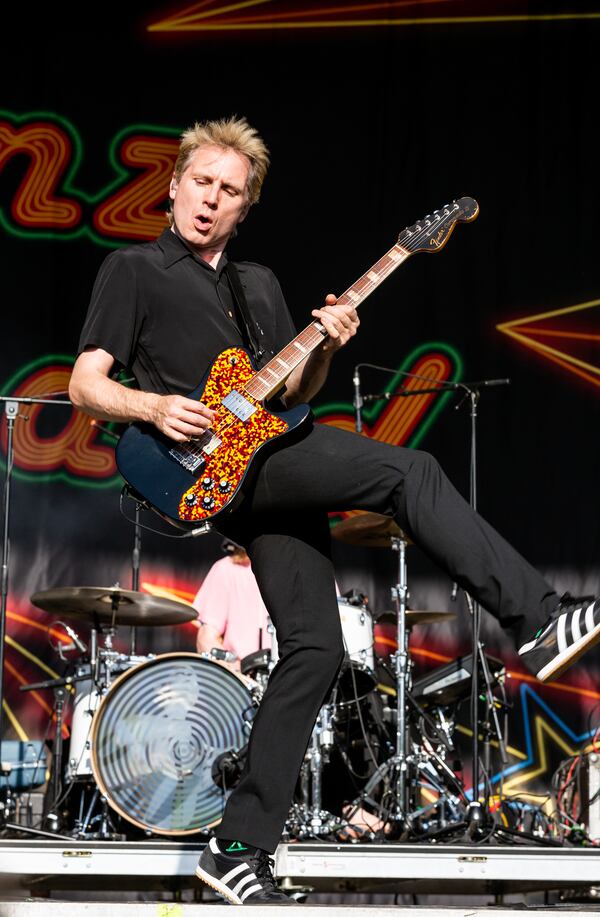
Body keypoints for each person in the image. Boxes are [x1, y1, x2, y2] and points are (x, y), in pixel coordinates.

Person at [68, 115, 599, 905]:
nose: (211, 200)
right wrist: (151, 407)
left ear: (246, 206)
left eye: (230, 191)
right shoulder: (134, 271)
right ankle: (539, 616)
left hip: (267, 456)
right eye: (201, 182)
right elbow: (85, 382)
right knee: (407, 471)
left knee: (314, 649)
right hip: (207, 463)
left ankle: (237, 844)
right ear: (174, 184)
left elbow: (293, 396)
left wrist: (326, 344)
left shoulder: (258, 285)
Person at [193, 539, 272, 671]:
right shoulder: (226, 569)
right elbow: (206, 638)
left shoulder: (292, 570)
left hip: (285, 677)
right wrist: (236, 669)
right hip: (242, 677)